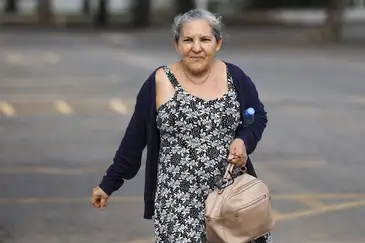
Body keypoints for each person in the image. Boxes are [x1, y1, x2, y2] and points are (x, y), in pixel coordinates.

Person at [91, 8, 272, 243]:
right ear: (177, 44)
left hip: (231, 196)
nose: (196, 47)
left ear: (218, 44)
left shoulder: (235, 77)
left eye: (205, 39)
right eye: (188, 40)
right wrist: (108, 184)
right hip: (177, 201)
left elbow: (256, 116)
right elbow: (134, 140)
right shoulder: (159, 81)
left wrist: (243, 140)